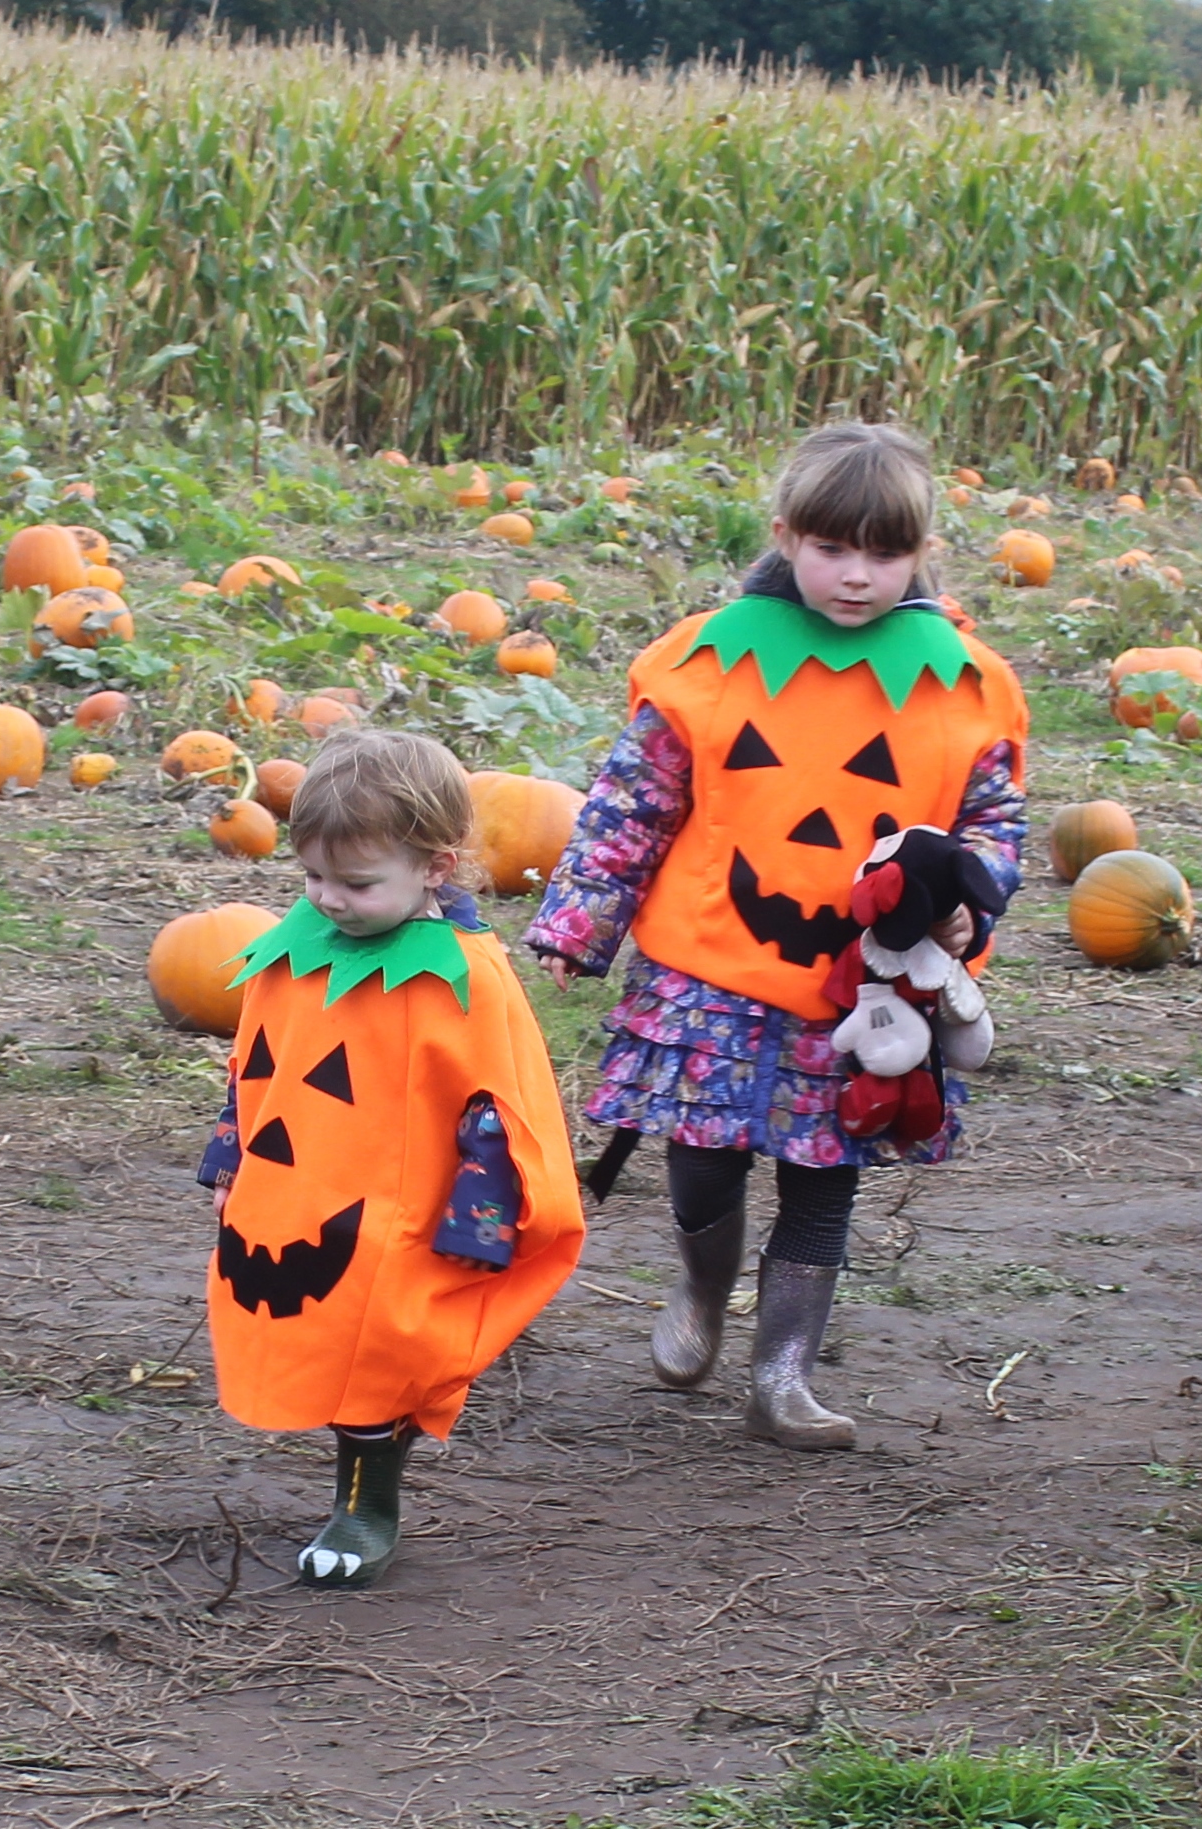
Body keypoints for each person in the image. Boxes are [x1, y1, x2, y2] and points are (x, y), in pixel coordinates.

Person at [525, 423, 1028, 1450]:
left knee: (823, 1172)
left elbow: (992, 823)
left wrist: (970, 899)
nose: (855, 577)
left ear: (921, 549)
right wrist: (582, 921)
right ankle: (703, 1291)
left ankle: (783, 1373)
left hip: (862, 988)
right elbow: (633, 804)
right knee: (703, 1159)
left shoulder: (962, 688)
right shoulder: (711, 665)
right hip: (708, 966)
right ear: (785, 536)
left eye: (884, 554)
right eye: (831, 549)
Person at [198, 727, 585, 1585]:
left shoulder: (464, 977)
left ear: (436, 867)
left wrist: (481, 1217)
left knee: (381, 1355)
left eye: (357, 882)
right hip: (297, 1191)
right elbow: (258, 1065)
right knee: (324, 1334)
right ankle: (367, 1467)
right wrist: (230, 1151)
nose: (328, 898)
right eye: (312, 876)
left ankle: (367, 1502)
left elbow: (499, 1103)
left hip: (408, 1206)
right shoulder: (294, 951)